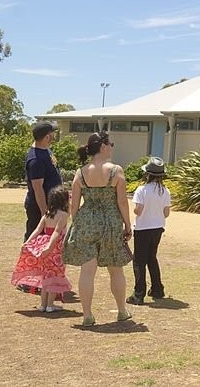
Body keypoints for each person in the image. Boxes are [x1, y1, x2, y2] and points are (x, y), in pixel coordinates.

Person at [62, 131, 133, 326]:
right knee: (115, 269)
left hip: (86, 220)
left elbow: (73, 204)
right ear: (103, 146)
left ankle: (87, 315)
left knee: (87, 271)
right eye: (111, 143)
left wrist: (78, 222)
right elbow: (122, 202)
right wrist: (127, 224)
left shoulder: (81, 172)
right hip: (110, 221)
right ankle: (121, 310)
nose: (112, 147)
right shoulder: (116, 170)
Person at [11, 185, 73, 312]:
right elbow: (57, 232)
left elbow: (38, 230)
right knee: (54, 276)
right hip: (56, 248)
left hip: (43, 244)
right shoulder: (64, 215)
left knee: (45, 277)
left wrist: (27, 242)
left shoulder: (47, 214)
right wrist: (50, 246)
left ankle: (43, 305)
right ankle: (50, 305)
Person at [127, 157, 172, 305]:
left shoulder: (142, 190)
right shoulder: (165, 191)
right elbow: (166, 213)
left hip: (143, 228)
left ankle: (139, 293)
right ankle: (157, 288)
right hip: (158, 227)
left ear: (148, 174)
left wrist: (134, 209)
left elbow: (138, 211)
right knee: (152, 257)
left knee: (139, 260)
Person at [24, 121, 62, 242]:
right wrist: (44, 213)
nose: (54, 135)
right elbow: (38, 188)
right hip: (39, 207)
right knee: (34, 239)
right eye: (52, 133)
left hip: (52, 204)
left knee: (48, 241)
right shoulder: (36, 160)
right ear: (46, 137)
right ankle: (26, 261)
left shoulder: (46, 150)